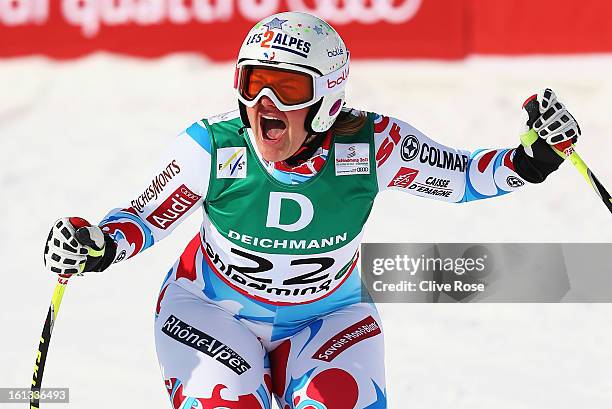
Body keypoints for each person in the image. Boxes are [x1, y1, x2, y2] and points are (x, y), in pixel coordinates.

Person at [42, 11, 580, 409]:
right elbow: (141, 219)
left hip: (329, 318)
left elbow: (463, 176)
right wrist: (95, 246)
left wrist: (535, 157)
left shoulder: (372, 146)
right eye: (255, 84)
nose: (266, 105)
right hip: (208, 313)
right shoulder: (212, 147)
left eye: (289, 88)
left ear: (328, 97)